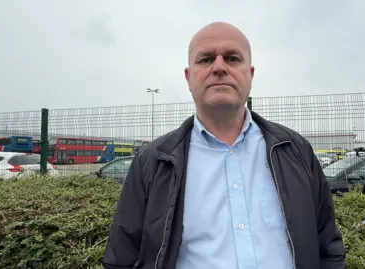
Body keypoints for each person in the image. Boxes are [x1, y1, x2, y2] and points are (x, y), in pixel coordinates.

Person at [102, 21, 346, 269]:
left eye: (232, 58)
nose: (219, 67)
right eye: (206, 59)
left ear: (250, 75)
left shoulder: (295, 150)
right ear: (189, 78)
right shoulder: (152, 162)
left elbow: (328, 246)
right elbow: (121, 258)